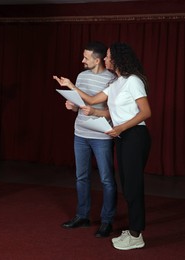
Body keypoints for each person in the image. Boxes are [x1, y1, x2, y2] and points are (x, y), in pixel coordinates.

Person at [54, 42, 151, 250]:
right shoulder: (116, 83)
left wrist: (120, 128)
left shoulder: (132, 81)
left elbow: (145, 112)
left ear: (115, 59)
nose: (106, 59)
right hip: (122, 135)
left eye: (108, 56)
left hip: (134, 135)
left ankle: (136, 234)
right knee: (128, 185)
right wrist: (70, 85)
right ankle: (133, 230)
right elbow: (90, 100)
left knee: (132, 186)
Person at [57, 42, 117, 238]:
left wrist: (95, 111)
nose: (82, 60)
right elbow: (79, 104)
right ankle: (82, 215)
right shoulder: (81, 76)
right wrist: (72, 106)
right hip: (80, 134)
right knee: (81, 177)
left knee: (106, 179)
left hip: (101, 136)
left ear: (97, 60)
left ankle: (107, 221)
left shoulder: (112, 80)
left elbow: (114, 112)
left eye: (86, 58)